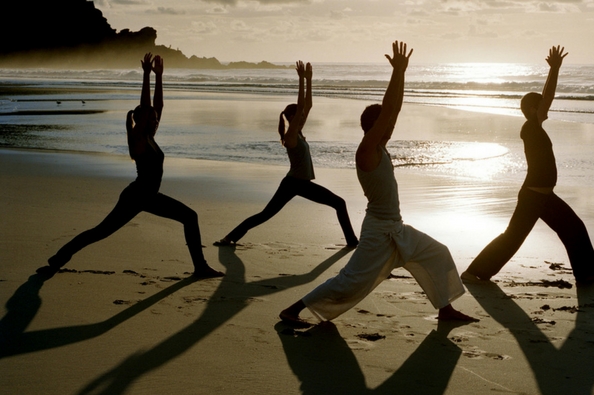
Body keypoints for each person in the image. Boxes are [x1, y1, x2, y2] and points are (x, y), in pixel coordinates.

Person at [279, 42, 478, 327]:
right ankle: (293, 310)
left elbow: (393, 110)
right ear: (373, 128)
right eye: (385, 125)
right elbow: (388, 111)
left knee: (438, 253)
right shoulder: (366, 150)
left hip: (397, 228)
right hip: (378, 233)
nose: (392, 127)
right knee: (350, 281)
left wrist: (403, 73)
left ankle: (445, 309)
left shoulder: (380, 146)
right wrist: (396, 72)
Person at [37, 53, 223, 279]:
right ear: (143, 120)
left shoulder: (149, 136)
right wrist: (146, 77)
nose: (157, 120)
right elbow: (146, 106)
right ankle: (56, 261)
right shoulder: (139, 139)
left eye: (156, 119)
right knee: (100, 233)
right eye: (153, 118)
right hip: (137, 196)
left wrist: (156, 76)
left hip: (146, 195)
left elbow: (157, 105)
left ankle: (200, 267)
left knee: (188, 217)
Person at [461, 46, 594, 286]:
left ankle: (585, 274)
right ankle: (474, 273)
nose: (546, 107)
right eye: (541, 106)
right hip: (532, 196)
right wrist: (554, 69)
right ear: (533, 109)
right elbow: (548, 96)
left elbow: (545, 99)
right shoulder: (530, 127)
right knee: (513, 237)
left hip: (545, 197)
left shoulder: (536, 127)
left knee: (574, 227)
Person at [214, 61, 358, 248]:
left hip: (301, 183)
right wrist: (300, 80)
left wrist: (309, 80)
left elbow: (308, 104)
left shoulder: (298, 132)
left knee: (339, 203)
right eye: (300, 114)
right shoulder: (291, 135)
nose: (304, 115)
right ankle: (229, 238)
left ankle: (352, 241)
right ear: (292, 117)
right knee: (265, 214)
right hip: (294, 184)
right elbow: (301, 106)